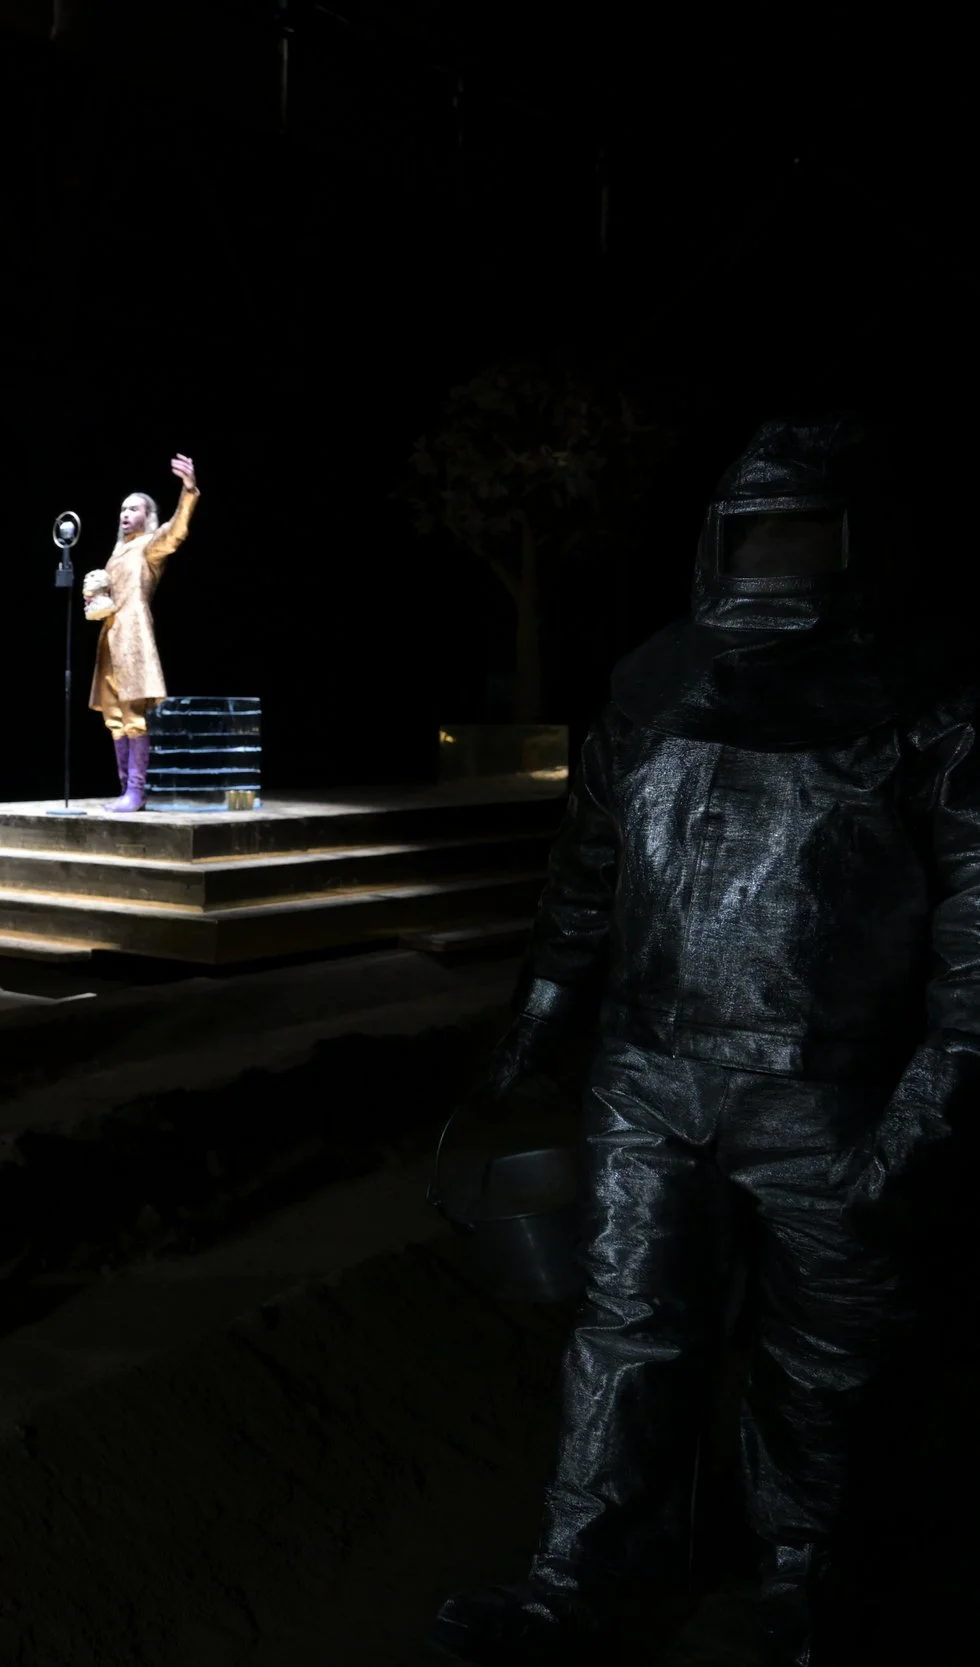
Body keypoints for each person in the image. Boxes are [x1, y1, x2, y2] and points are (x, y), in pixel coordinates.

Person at [426, 418, 979, 1667]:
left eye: (801, 535)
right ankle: (577, 1577)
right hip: (651, 1074)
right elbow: (586, 876)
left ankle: (800, 1582)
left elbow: (974, 950)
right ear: (716, 546)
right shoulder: (651, 686)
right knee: (629, 1328)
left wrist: (919, 1120)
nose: (776, 562)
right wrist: (538, 1024)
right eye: (758, 535)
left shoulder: (928, 704)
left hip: (832, 1091)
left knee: (822, 1357)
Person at [83, 454, 201, 812]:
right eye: (122, 509)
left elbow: (176, 532)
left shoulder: (150, 546)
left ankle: (137, 790)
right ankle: (125, 790)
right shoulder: (118, 551)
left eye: (133, 509)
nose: (125, 514)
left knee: (133, 714)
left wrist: (189, 490)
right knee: (114, 718)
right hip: (110, 637)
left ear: (147, 517)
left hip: (133, 637)